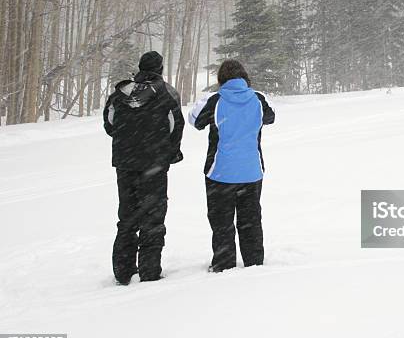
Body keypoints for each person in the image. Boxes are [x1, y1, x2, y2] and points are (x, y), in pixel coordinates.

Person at [103, 51, 185, 285]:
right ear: (159, 69)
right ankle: (149, 271)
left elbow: (110, 125)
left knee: (127, 217)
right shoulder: (167, 93)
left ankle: (123, 271)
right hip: (155, 165)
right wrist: (167, 151)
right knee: (153, 217)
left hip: (125, 164)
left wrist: (129, 141)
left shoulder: (120, 94)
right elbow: (175, 127)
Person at [189, 59, 275, 273]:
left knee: (222, 223)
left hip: (220, 173)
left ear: (221, 79)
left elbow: (195, 121)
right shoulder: (257, 99)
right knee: (251, 220)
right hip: (251, 171)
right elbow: (270, 117)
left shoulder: (215, 100)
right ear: (244, 77)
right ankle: (254, 262)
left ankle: (224, 263)